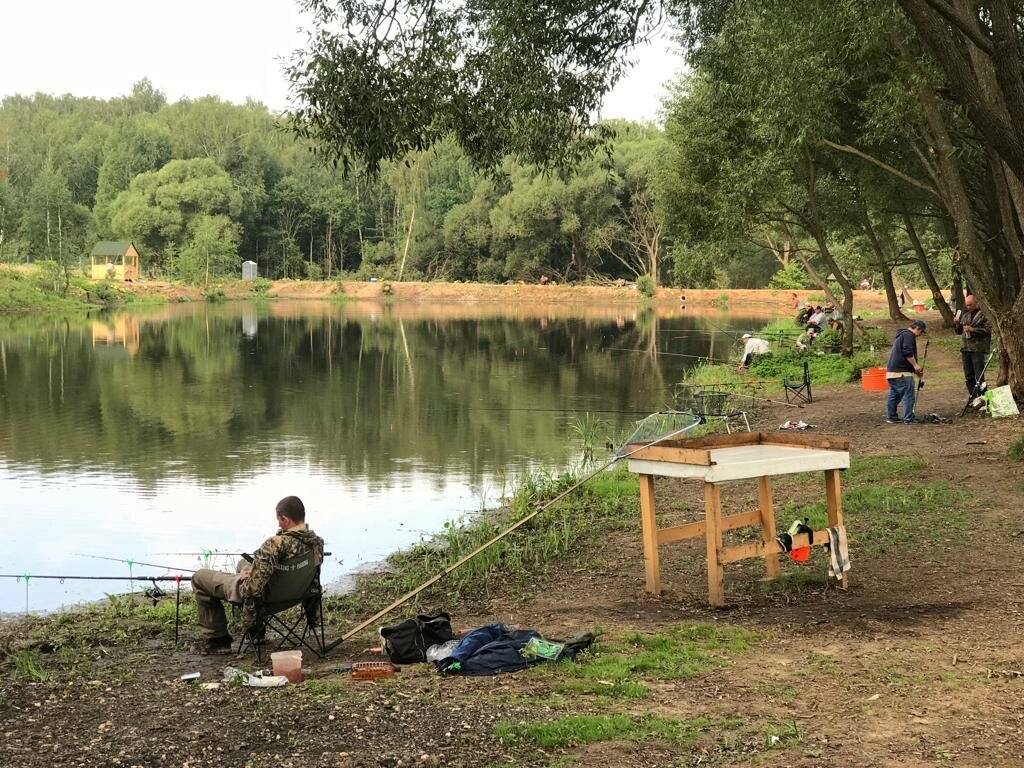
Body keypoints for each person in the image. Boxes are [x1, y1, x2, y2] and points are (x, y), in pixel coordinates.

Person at [191, 496, 325, 654]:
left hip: (266, 601)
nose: (278, 525)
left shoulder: (275, 544)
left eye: (279, 521)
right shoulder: (316, 542)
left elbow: (252, 590)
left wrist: (244, 578)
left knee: (199, 577)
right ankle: (256, 632)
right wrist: (250, 570)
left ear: (285, 519)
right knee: (243, 564)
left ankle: (217, 640)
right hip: (297, 594)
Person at [885, 319, 927, 424]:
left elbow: (903, 355)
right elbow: (907, 351)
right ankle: (909, 418)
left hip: (892, 372)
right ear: (917, 328)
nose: (920, 335)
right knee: (909, 394)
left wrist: (914, 370)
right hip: (902, 373)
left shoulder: (901, 335)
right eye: (921, 332)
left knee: (894, 394)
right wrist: (915, 365)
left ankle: (891, 417)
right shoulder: (909, 335)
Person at [953, 293, 991, 398]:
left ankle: (983, 397)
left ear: (977, 303)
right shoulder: (965, 314)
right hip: (965, 348)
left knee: (979, 375)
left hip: (977, 349)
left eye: (970, 305)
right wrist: (956, 324)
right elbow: (959, 331)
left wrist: (973, 330)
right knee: (969, 375)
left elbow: (988, 330)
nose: (968, 307)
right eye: (966, 305)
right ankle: (973, 397)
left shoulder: (984, 314)